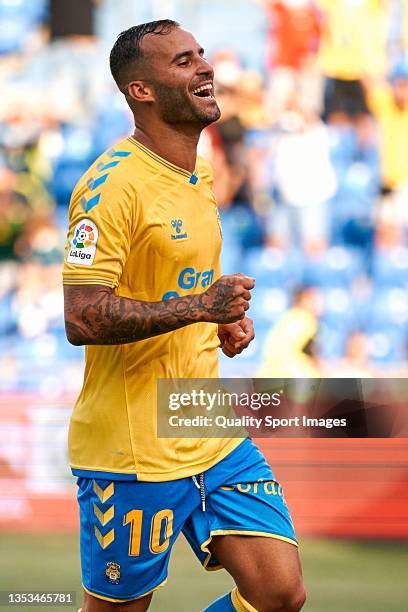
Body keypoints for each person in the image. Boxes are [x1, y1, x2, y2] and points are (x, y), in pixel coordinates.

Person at [63, 20, 305, 612]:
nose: (204, 66)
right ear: (141, 91)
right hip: (130, 450)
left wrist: (216, 320)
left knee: (279, 594)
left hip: (204, 421)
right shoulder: (108, 188)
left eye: (200, 54)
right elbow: (82, 318)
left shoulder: (196, 171)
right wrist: (200, 307)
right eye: (182, 61)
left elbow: (181, 280)